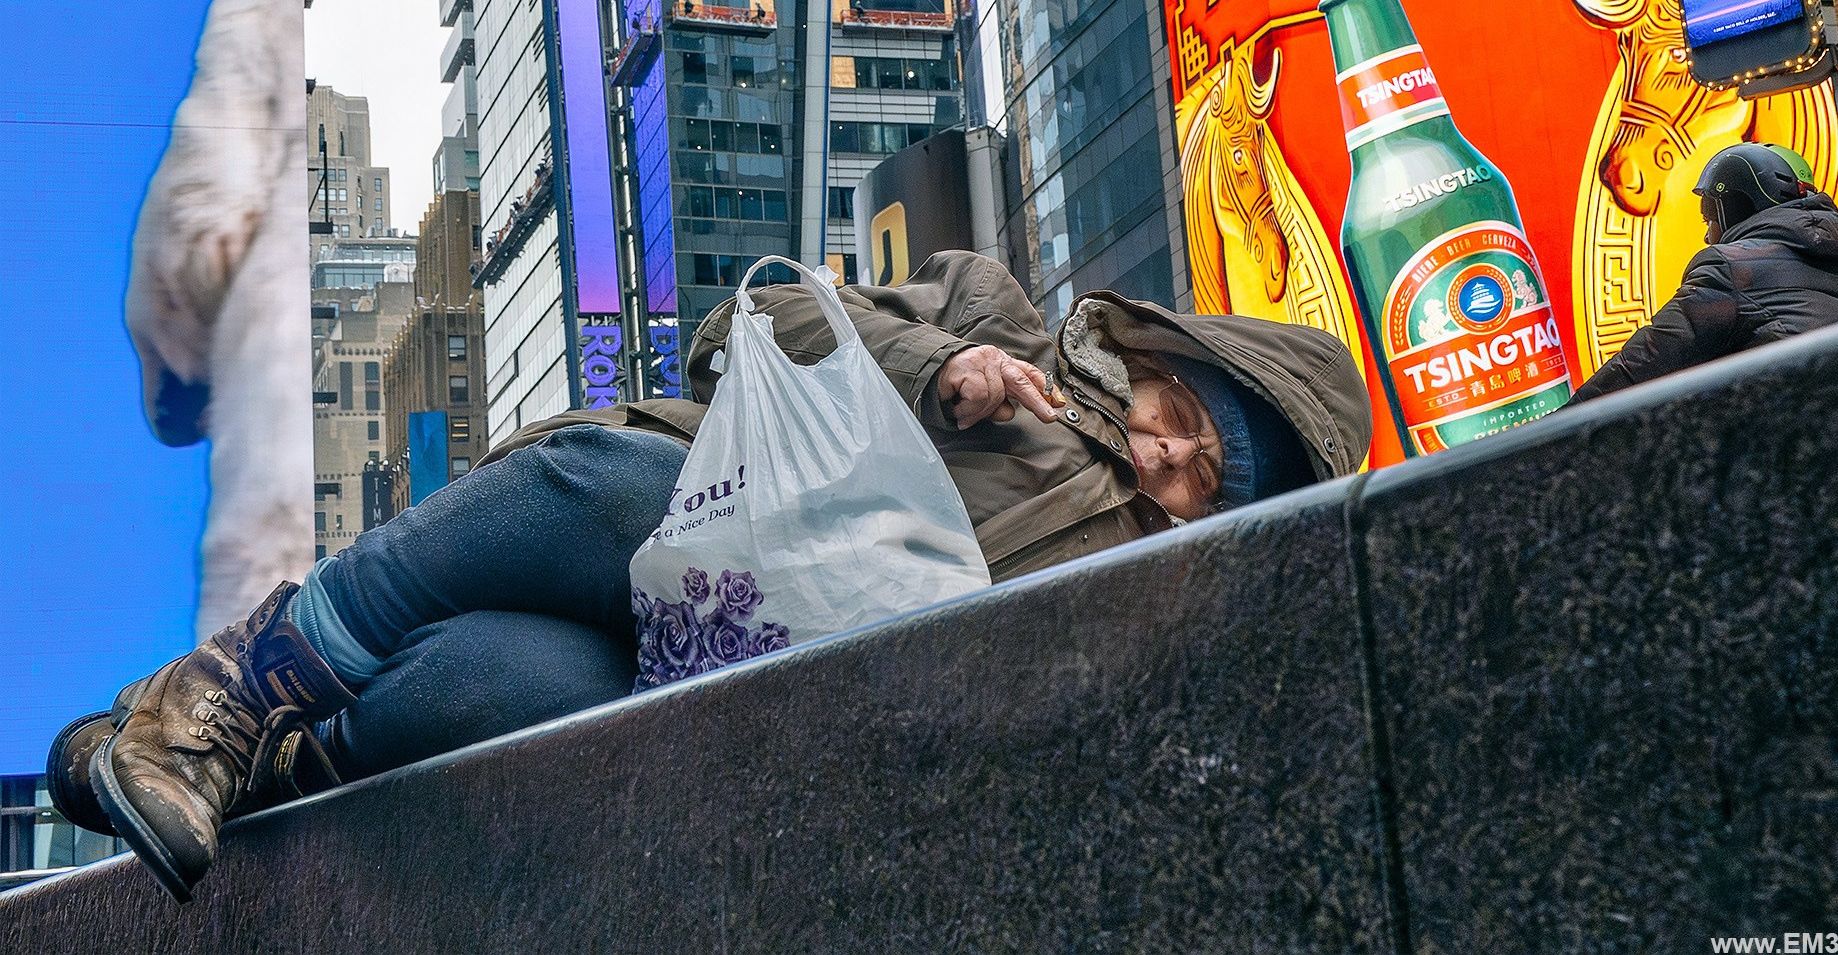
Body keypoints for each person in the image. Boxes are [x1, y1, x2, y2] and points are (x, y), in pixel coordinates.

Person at [50, 251, 1370, 901]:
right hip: (677, 523)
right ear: (1178, 363)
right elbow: (754, 326)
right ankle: (203, 713)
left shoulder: (1140, 614)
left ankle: (245, 759)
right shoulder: (997, 308)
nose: (1166, 463)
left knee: (478, 688)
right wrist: (934, 369)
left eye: (1206, 483)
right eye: (1182, 422)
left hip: (719, 703)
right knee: (604, 487)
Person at [1571, 143, 1838, 403]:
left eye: (1708, 219)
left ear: (1733, 209)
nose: (1707, 236)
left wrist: (1551, 432)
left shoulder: (1728, 268)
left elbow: (1644, 362)